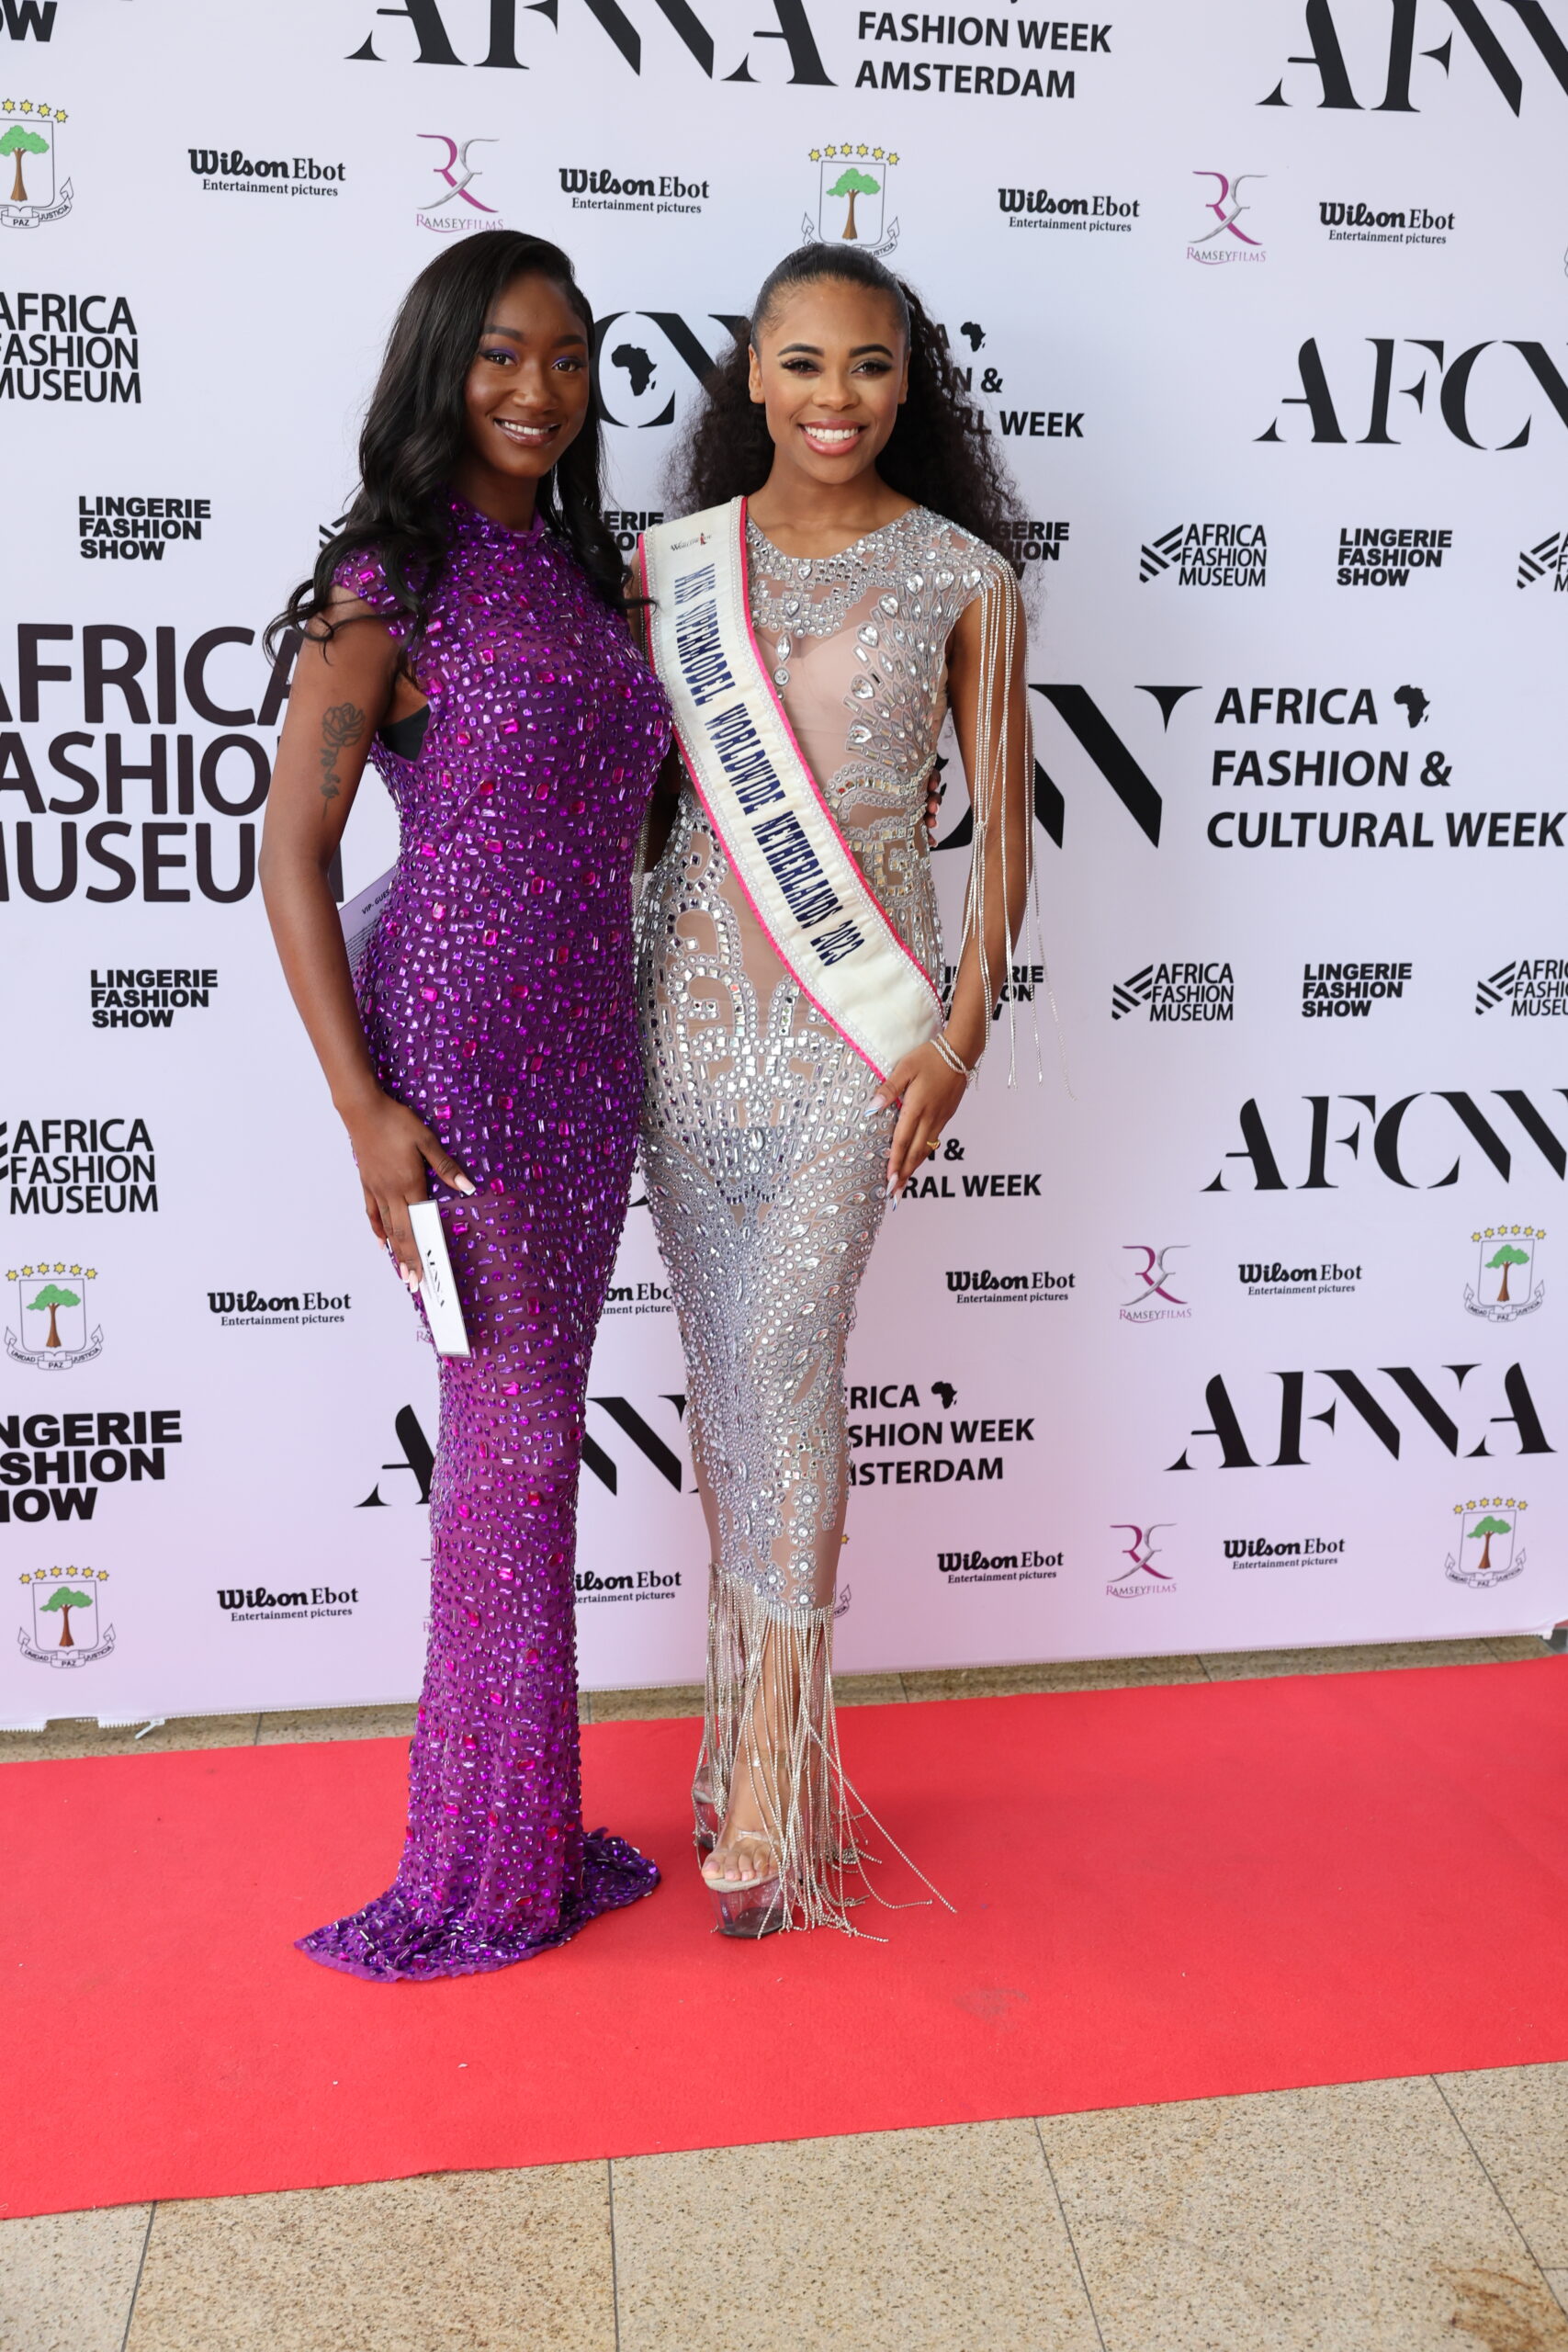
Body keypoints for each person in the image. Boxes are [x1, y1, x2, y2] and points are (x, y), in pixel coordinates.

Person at [259, 231, 669, 1980]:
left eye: (570, 359)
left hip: (591, 1060)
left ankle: (519, 1828)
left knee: (530, 1441)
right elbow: (290, 855)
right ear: (444, 364)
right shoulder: (386, 584)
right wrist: (364, 1111)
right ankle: (479, 1866)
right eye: (504, 354)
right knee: (503, 1446)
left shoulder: (591, 574)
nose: (539, 389)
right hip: (452, 1070)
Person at [634, 243, 1036, 1938]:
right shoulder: (674, 569)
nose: (835, 398)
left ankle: (778, 1768)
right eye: (802, 363)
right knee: (731, 1383)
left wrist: (959, 1038)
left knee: (792, 1361)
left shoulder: (965, 576)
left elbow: (1002, 849)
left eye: (869, 365)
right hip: (681, 1026)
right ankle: (738, 1717)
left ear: (907, 380)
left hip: (854, 1042)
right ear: (751, 374)